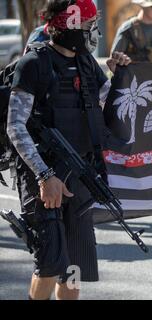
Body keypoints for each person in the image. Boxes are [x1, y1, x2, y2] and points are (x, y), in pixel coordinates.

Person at [7, 0, 131, 300]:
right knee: (50, 264)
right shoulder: (34, 63)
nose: (93, 33)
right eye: (88, 27)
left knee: (74, 266)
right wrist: (44, 176)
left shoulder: (87, 62)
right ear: (70, 27)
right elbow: (15, 126)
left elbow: (106, 104)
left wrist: (118, 76)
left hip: (80, 174)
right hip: (43, 177)